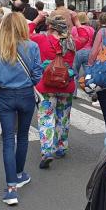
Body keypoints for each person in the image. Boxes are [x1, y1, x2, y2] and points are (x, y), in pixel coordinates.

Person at [0, 13, 42, 206]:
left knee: (8, 140)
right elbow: (37, 73)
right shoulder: (32, 46)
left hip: (5, 96)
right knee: (23, 136)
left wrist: (4, 79)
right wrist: (28, 82)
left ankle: (11, 188)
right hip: (26, 94)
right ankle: (20, 174)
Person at [28, 13, 77, 169]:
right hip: (65, 84)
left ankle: (47, 150)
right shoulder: (71, 42)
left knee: (46, 118)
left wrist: (36, 20)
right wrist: (76, 21)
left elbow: (25, 34)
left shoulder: (42, 39)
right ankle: (61, 146)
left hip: (47, 86)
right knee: (63, 117)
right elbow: (85, 37)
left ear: (50, 27)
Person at [71, 12, 95, 90]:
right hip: (88, 51)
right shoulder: (91, 29)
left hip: (77, 51)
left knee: (74, 72)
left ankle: (74, 91)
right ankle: (88, 89)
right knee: (88, 71)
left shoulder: (74, 28)